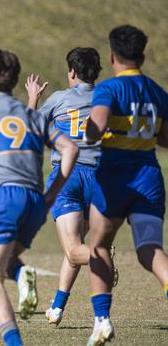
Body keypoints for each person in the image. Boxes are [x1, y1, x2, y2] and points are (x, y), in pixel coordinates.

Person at [0, 50, 78, 346]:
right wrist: (51, 193)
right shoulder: (33, 116)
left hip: (0, 197)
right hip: (34, 201)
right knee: (8, 259)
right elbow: (71, 149)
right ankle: (22, 272)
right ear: (15, 80)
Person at [83, 25, 168, 346]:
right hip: (148, 179)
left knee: (99, 246)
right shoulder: (157, 91)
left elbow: (97, 127)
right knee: (150, 251)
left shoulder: (108, 89)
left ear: (112, 55)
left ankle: (102, 320)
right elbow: (165, 138)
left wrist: (88, 129)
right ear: (141, 55)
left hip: (114, 179)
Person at [25, 47, 117, 326]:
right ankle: (57, 307)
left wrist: (32, 99)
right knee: (74, 247)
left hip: (68, 176)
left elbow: (28, 129)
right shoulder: (108, 98)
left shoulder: (59, 99)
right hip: (102, 179)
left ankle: (101, 256)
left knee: (76, 249)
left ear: (72, 72)